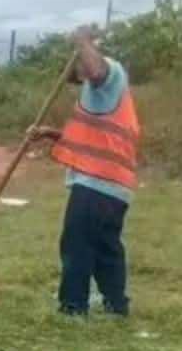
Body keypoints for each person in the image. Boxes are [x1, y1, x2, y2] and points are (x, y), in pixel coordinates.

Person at [29, 26, 138, 317]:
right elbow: (94, 136)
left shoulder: (110, 75)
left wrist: (82, 40)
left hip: (97, 183)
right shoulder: (96, 93)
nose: (72, 71)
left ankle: (72, 307)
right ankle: (117, 305)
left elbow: (96, 68)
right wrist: (50, 134)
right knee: (106, 249)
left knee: (77, 244)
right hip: (114, 186)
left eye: (76, 62)